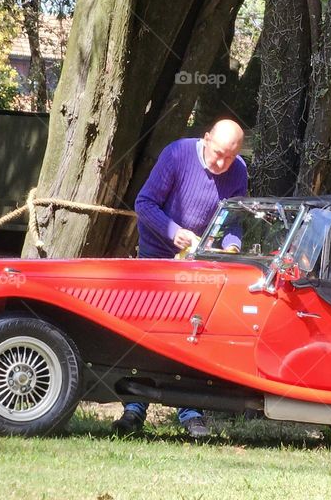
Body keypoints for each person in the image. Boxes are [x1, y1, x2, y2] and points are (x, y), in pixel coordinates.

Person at [112, 118, 248, 438]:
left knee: (193, 335)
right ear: (206, 138)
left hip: (198, 264)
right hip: (157, 258)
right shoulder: (177, 154)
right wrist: (173, 232)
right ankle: (134, 409)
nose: (221, 163)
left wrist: (232, 247)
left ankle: (191, 412)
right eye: (218, 154)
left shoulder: (239, 171)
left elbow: (234, 220)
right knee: (148, 332)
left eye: (230, 157)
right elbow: (144, 203)